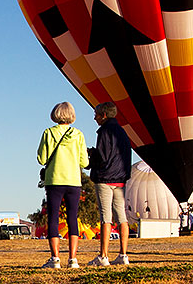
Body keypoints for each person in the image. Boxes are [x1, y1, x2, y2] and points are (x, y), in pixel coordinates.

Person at [37, 101, 89, 268]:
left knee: (53, 218)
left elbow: (41, 159)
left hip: (54, 180)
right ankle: (73, 259)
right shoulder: (78, 134)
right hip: (73, 180)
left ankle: (55, 258)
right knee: (73, 218)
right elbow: (84, 162)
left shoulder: (48, 133)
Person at [86, 100, 131, 267]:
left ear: (104, 115)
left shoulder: (104, 131)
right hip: (120, 179)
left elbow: (103, 157)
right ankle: (123, 254)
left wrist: (91, 157)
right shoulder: (122, 132)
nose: (95, 118)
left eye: (96, 115)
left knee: (106, 217)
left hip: (105, 179)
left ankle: (103, 256)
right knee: (122, 217)